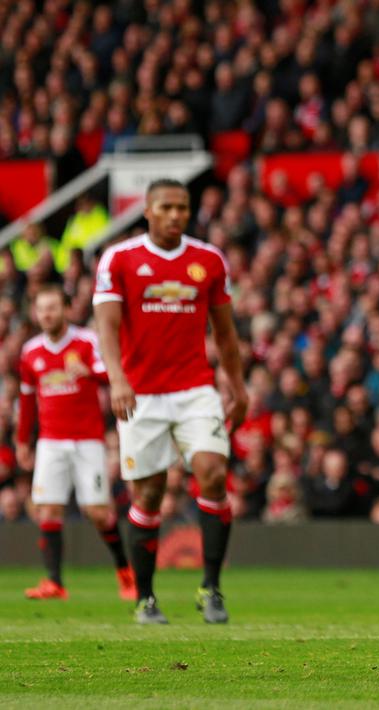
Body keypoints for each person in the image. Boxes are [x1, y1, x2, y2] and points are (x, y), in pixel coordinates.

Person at [93, 179, 249, 624]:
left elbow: (225, 331)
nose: (176, 215)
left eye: (182, 207)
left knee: (213, 473)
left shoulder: (208, 260)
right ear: (147, 210)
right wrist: (117, 379)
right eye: (166, 207)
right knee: (149, 492)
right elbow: (105, 327)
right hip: (140, 393)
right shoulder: (119, 259)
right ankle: (145, 597)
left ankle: (211, 589)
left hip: (195, 388)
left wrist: (236, 384)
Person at [18, 285, 136, 601]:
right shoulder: (31, 352)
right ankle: (54, 582)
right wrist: (22, 440)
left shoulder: (87, 342)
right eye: (41, 308)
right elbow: (27, 399)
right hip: (51, 442)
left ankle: (125, 571)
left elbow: (109, 373)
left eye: (53, 307)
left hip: (87, 441)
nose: (46, 314)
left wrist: (89, 372)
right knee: (48, 510)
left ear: (67, 309)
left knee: (98, 513)